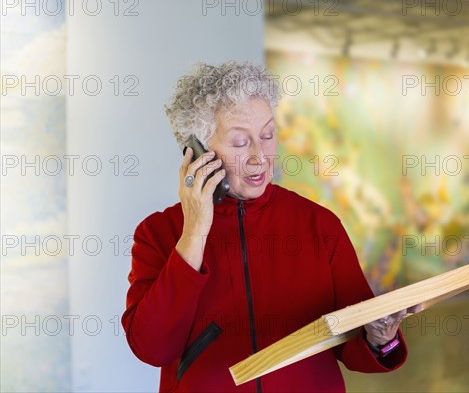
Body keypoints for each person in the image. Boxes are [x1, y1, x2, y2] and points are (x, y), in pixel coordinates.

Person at [121, 61, 421, 392]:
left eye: (267, 135)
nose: (259, 157)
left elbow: (352, 344)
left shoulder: (319, 226)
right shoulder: (158, 234)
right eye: (239, 142)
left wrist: (381, 338)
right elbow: (152, 346)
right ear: (198, 152)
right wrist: (194, 231)